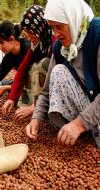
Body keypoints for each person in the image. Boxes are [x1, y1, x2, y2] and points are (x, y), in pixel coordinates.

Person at [26, 0, 100, 148]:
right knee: (58, 72)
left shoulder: (97, 35)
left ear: (73, 19)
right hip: (89, 108)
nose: (56, 34)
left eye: (59, 27)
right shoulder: (60, 47)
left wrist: (80, 124)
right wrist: (36, 118)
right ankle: (87, 133)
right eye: (52, 28)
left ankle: (89, 131)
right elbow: (46, 91)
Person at [1, 5, 55, 122]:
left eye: (31, 32)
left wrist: (34, 107)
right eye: (26, 33)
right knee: (31, 68)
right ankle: (31, 104)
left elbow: (55, 82)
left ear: (40, 27)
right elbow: (22, 69)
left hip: (53, 92)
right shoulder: (36, 45)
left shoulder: (55, 42)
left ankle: (43, 110)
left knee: (42, 64)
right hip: (42, 92)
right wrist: (11, 98)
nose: (29, 37)